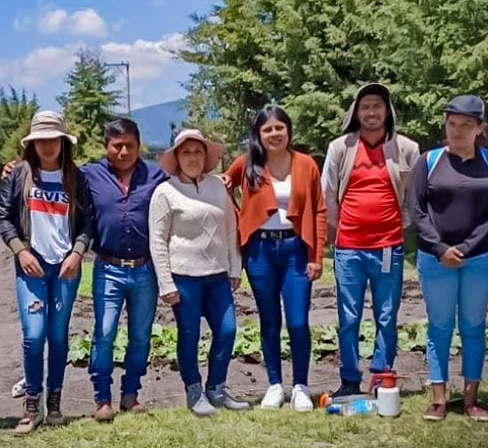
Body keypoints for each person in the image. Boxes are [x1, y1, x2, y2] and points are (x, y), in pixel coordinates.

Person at [408, 95, 488, 421]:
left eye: (466, 125)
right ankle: (438, 398)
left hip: (479, 259)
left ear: (480, 128)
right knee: (439, 326)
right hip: (436, 260)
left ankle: (471, 399)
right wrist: (441, 249)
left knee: (473, 326)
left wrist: (466, 247)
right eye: (452, 124)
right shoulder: (429, 160)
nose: (457, 131)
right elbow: (417, 210)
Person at [0, 111, 94, 435]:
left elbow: (87, 222)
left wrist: (77, 253)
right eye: (41, 140)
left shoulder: (75, 178)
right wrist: (20, 251)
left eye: (54, 139)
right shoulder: (19, 175)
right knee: (34, 335)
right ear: (33, 143)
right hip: (32, 268)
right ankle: (31, 403)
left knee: (57, 335)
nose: (48, 145)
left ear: (63, 142)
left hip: (65, 269)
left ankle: (54, 401)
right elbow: (4, 218)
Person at [223, 106, 326, 412]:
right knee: (269, 320)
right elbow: (223, 185)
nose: (274, 134)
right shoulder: (248, 163)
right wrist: (238, 215)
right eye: (267, 129)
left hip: (296, 249)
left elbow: (319, 210)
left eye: (279, 128)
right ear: (258, 134)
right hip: (260, 252)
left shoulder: (306, 164)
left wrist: (316, 255)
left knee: (297, 321)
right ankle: (274, 385)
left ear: (288, 130)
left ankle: (300, 386)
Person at [321, 83, 420, 399]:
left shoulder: (406, 148)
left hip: (388, 246)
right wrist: (340, 229)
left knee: (387, 315)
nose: (371, 112)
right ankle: (349, 378)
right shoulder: (341, 148)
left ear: (387, 110)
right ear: (356, 112)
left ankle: (382, 376)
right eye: (365, 107)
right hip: (349, 248)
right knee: (348, 316)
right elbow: (328, 193)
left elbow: (414, 196)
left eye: (377, 106)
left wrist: (400, 225)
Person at [149, 128, 248, 416]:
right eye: (186, 152)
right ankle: (194, 391)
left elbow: (230, 227)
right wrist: (166, 282)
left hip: (217, 276)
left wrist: (234, 267)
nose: (192, 157)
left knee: (227, 330)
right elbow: (157, 240)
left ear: (206, 156)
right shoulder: (164, 192)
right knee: (189, 335)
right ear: (176, 157)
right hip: (184, 278)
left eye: (198, 151)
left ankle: (216, 387)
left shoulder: (218, 187)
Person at [83, 118, 169, 421]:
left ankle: (131, 394)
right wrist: (15, 171)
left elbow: (186, 180)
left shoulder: (156, 175)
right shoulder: (89, 175)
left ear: (138, 145)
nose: (122, 151)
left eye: (129, 145)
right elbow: (53, 176)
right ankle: (102, 398)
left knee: (141, 336)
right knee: (104, 333)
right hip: (108, 267)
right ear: (106, 146)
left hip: (146, 269)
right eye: (116, 145)